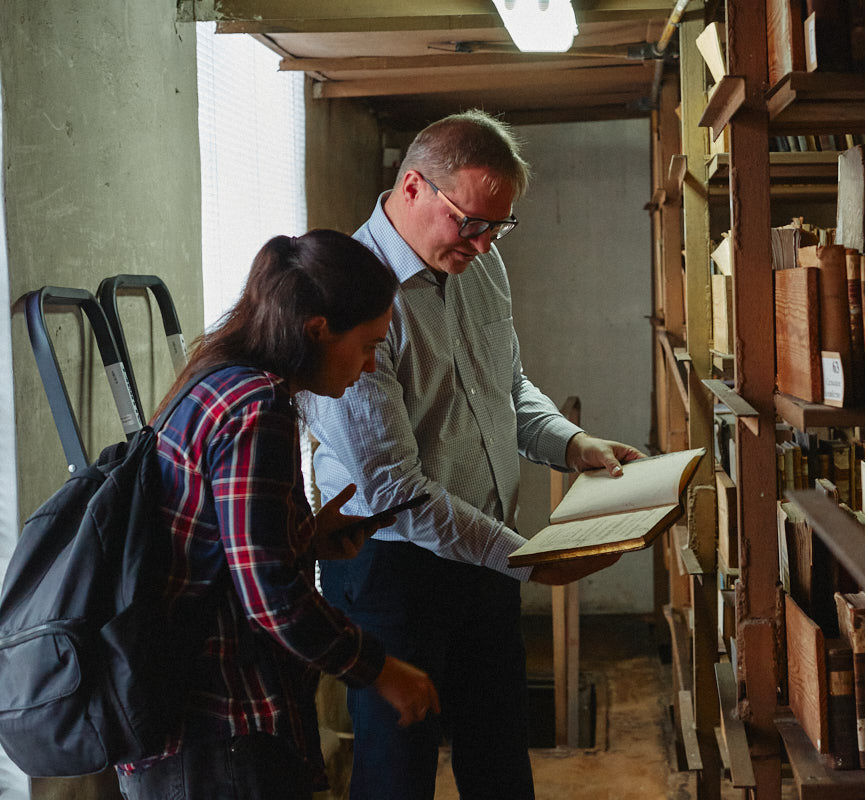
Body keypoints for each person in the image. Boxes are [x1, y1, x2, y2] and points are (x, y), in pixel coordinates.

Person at [306, 109, 644, 800]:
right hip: (392, 571)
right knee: (396, 776)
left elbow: (506, 385)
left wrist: (570, 444)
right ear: (411, 189)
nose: (485, 243)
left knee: (499, 765)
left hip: (484, 556)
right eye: (470, 220)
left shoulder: (479, 264)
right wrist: (524, 560)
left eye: (500, 226)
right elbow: (398, 489)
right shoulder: (349, 297)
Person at [116, 230, 440, 800]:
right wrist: (380, 669)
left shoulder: (218, 378)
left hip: (196, 731)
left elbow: (214, 549)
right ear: (317, 330)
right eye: (367, 344)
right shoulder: (258, 408)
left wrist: (306, 540)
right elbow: (271, 599)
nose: (369, 366)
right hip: (222, 731)